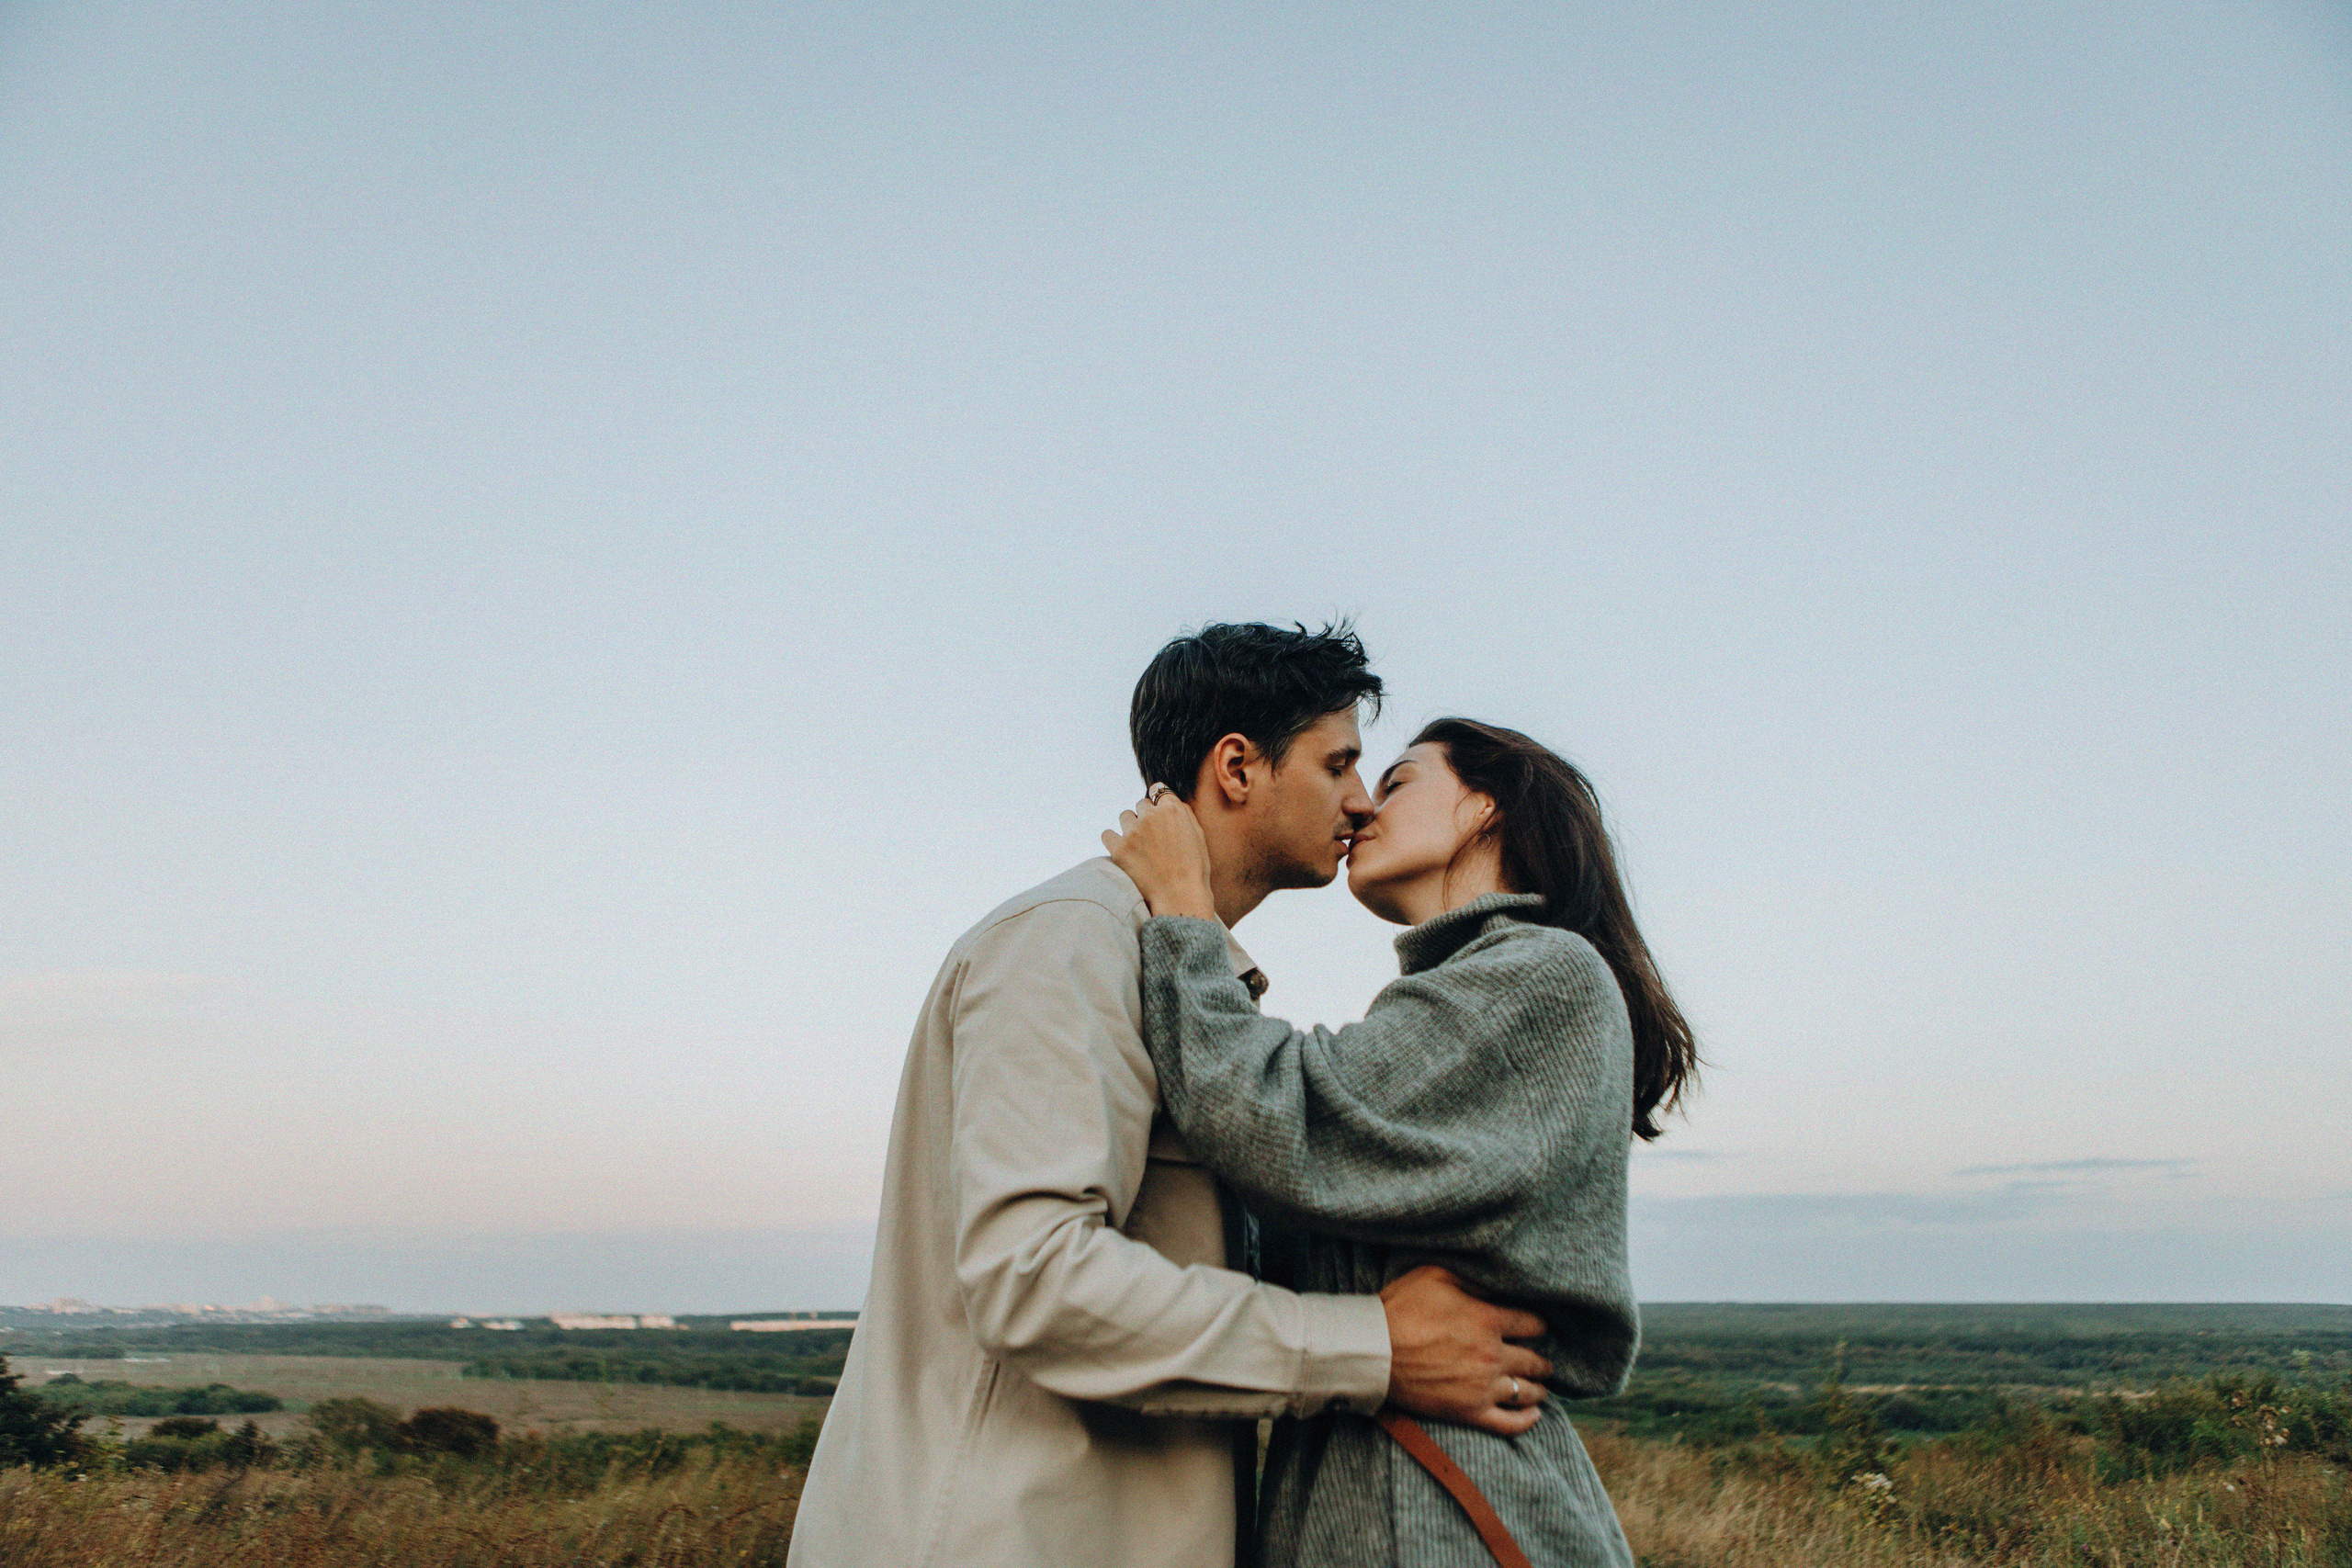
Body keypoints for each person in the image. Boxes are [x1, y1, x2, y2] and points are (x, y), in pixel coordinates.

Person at [789, 628, 1555, 1568]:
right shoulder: (1073, 939)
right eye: (1340, 763)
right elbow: (1034, 1280)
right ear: (1237, 766)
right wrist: (1374, 1349)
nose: (1360, 801)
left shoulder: (1182, 974)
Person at [1104, 716, 1700, 1567]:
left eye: (1399, 781)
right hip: (1374, 1497)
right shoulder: (1464, 995)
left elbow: (1278, 1116)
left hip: (1448, 1508)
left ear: (1487, 806)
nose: (1360, 806)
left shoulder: (1544, 975)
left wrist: (1185, 911)